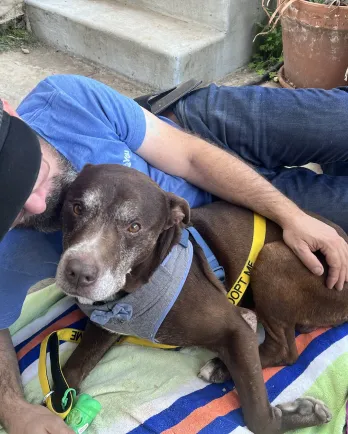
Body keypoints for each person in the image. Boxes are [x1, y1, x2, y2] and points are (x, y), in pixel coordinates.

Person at [1, 74, 348, 433]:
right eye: (14, 209)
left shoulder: (64, 98)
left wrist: (291, 215)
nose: (37, 202)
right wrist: (14, 407)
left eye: (35, 172)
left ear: (8, 111)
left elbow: (191, 157)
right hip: (242, 232)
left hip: (202, 135)